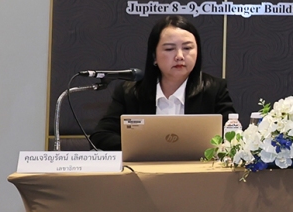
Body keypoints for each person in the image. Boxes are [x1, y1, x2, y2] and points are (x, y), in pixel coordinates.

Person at [90, 16, 236, 150]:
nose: (179, 56)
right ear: (154, 56)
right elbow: (101, 136)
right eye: (169, 49)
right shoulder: (131, 92)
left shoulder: (214, 90)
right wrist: (143, 147)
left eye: (187, 48)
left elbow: (233, 138)